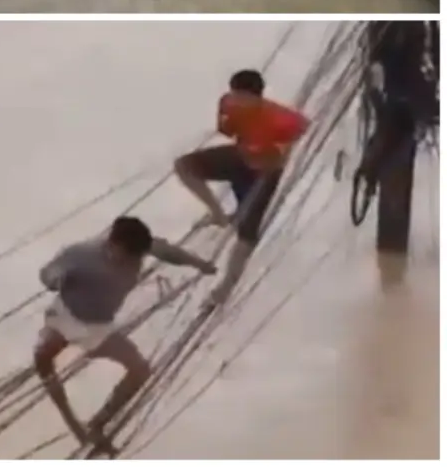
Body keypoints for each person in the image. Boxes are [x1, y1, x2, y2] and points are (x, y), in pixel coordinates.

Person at [33, 216, 215, 454]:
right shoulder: (81, 253)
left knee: (140, 370)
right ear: (113, 245)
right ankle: (71, 421)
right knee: (42, 356)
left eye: (138, 256)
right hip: (66, 316)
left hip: (99, 326)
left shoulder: (138, 247)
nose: (134, 261)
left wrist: (199, 263)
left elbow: (168, 252)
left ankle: (98, 422)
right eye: (129, 255)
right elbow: (47, 273)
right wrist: (54, 280)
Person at [173, 69, 310, 306]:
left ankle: (226, 287)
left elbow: (305, 126)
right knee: (184, 166)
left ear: (257, 97)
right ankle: (216, 212)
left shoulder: (280, 117)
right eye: (234, 94)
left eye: (242, 97)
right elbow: (227, 130)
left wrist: (282, 153)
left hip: (264, 171)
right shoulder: (227, 103)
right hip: (241, 157)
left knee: (247, 234)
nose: (236, 100)